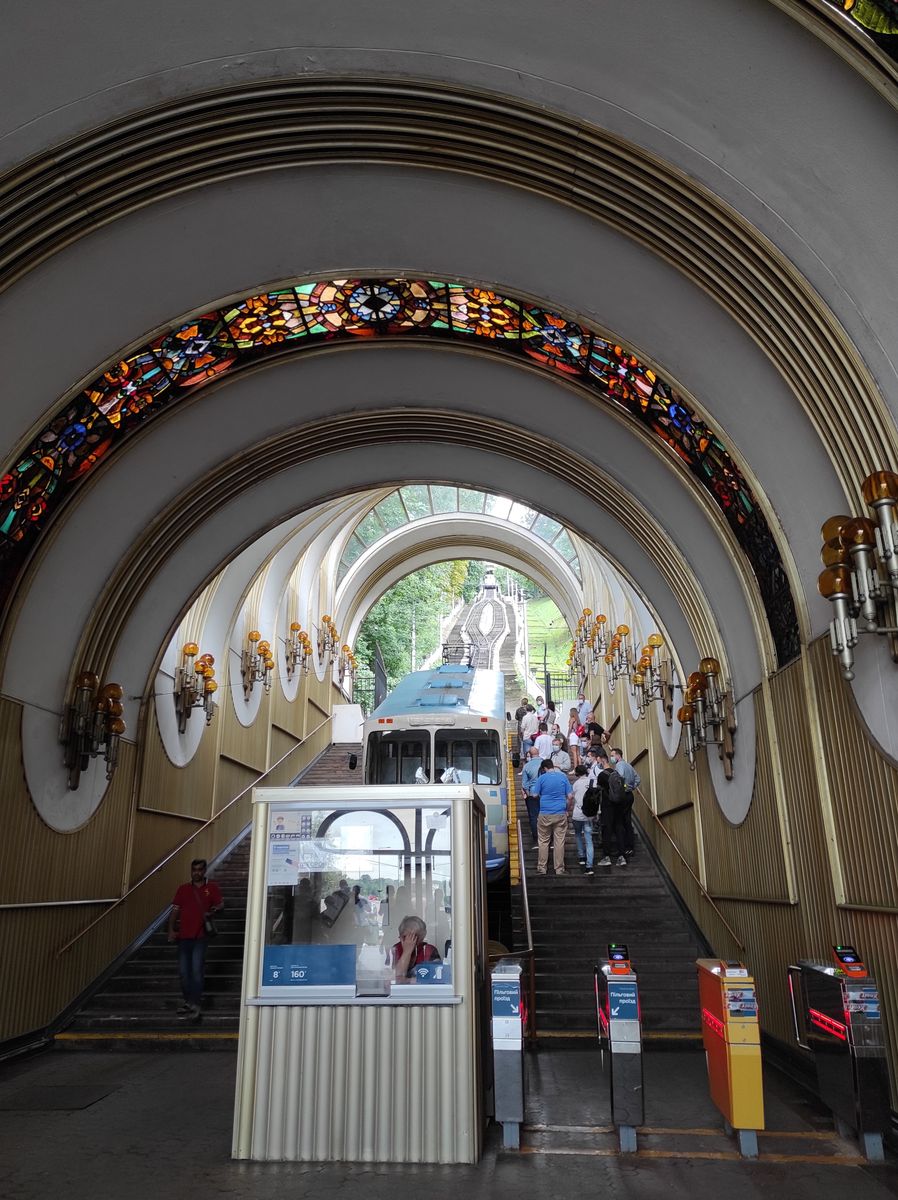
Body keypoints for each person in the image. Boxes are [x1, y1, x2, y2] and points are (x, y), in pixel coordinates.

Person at [167, 858, 223, 1019]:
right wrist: (171, 929)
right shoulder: (183, 889)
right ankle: (188, 1002)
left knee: (196, 970)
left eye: (199, 870)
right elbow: (175, 910)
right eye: (194, 870)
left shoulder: (211, 888)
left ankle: (195, 1004)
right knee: (184, 972)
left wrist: (215, 909)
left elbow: (220, 904)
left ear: (204, 871)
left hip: (201, 935)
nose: (196, 873)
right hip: (184, 936)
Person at [529, 758, 574, 876]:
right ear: (552, 766)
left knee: (543, 841)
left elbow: (534, 795)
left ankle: (542, 868)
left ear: (544, 768)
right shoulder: (563, 777)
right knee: (559, 841)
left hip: (545, 813)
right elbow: (570, 796)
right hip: (560, 813)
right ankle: (559, 869)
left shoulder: (541, 778)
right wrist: (566, 809)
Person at [592, 751, 629, 867]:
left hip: (607, 806)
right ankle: (622, 856)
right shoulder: (616, 773)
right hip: (618, 805)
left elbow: (598, 792)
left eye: (599, 762)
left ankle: (606, 856)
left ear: (602, 761)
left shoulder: (602, 776)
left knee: (607, 830)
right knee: (619, 828)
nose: (598, 764)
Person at [390, 914, 442, 982]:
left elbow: (435, 978)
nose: (409, 941)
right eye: (405, 937)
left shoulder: (429, 950)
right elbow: (395, 979)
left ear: (422, 937)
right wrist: (407, 952)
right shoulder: (395, 949)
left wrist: (407, 980)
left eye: (414, 937)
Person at [610, 747, 641, 859]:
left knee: (619, 822)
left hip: (622, 796)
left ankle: (622, 848)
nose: (611, 758)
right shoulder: (629, 765)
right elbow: (638, 779)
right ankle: (630, 847)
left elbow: (620, 778)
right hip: (629, 795)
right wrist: (631, 787)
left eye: (612, 755)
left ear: (618, 755)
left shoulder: (619, 765)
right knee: (627, 821)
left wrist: (622, 788)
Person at [570, 763, 594, 875]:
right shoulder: (592, 782)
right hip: (589, 815)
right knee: (589, 840)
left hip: (578, 814)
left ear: (577, 773)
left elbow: (571, 797)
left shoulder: (576, 784)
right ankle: (590, 866)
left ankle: (581, 857)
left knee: (578, 834)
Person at [520, 745, 543, 846]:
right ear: (538, 753)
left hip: (532, 793)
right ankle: (547, 837)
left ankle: (535, 837)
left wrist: (528, 794)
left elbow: (524, 784)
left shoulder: (527, 766)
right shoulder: (545, 763)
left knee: (533, 817)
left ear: (530, 754)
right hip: (544, 793)